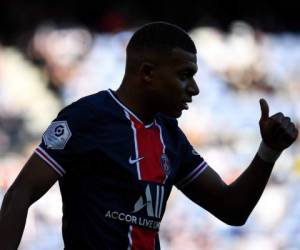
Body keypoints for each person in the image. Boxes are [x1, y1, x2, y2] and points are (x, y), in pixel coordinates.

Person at [0, 22, 298, 250]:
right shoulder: (84, 118)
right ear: (147, 73)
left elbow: (232, 209)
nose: (194, 89)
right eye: (184, 75)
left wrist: (268, 151)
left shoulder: (171, 137)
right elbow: (19, 193)